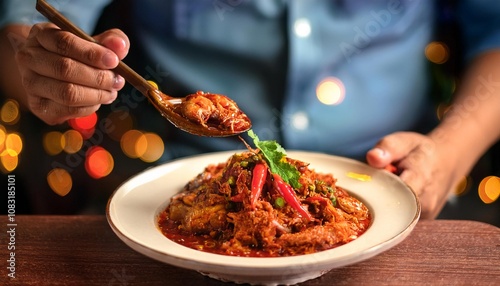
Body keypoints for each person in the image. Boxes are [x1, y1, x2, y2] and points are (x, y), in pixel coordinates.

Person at [1, 0, 499, 219]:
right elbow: (24, 26)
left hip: (392, 178)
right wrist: (37, 63)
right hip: (159, 172)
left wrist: (447, 153)